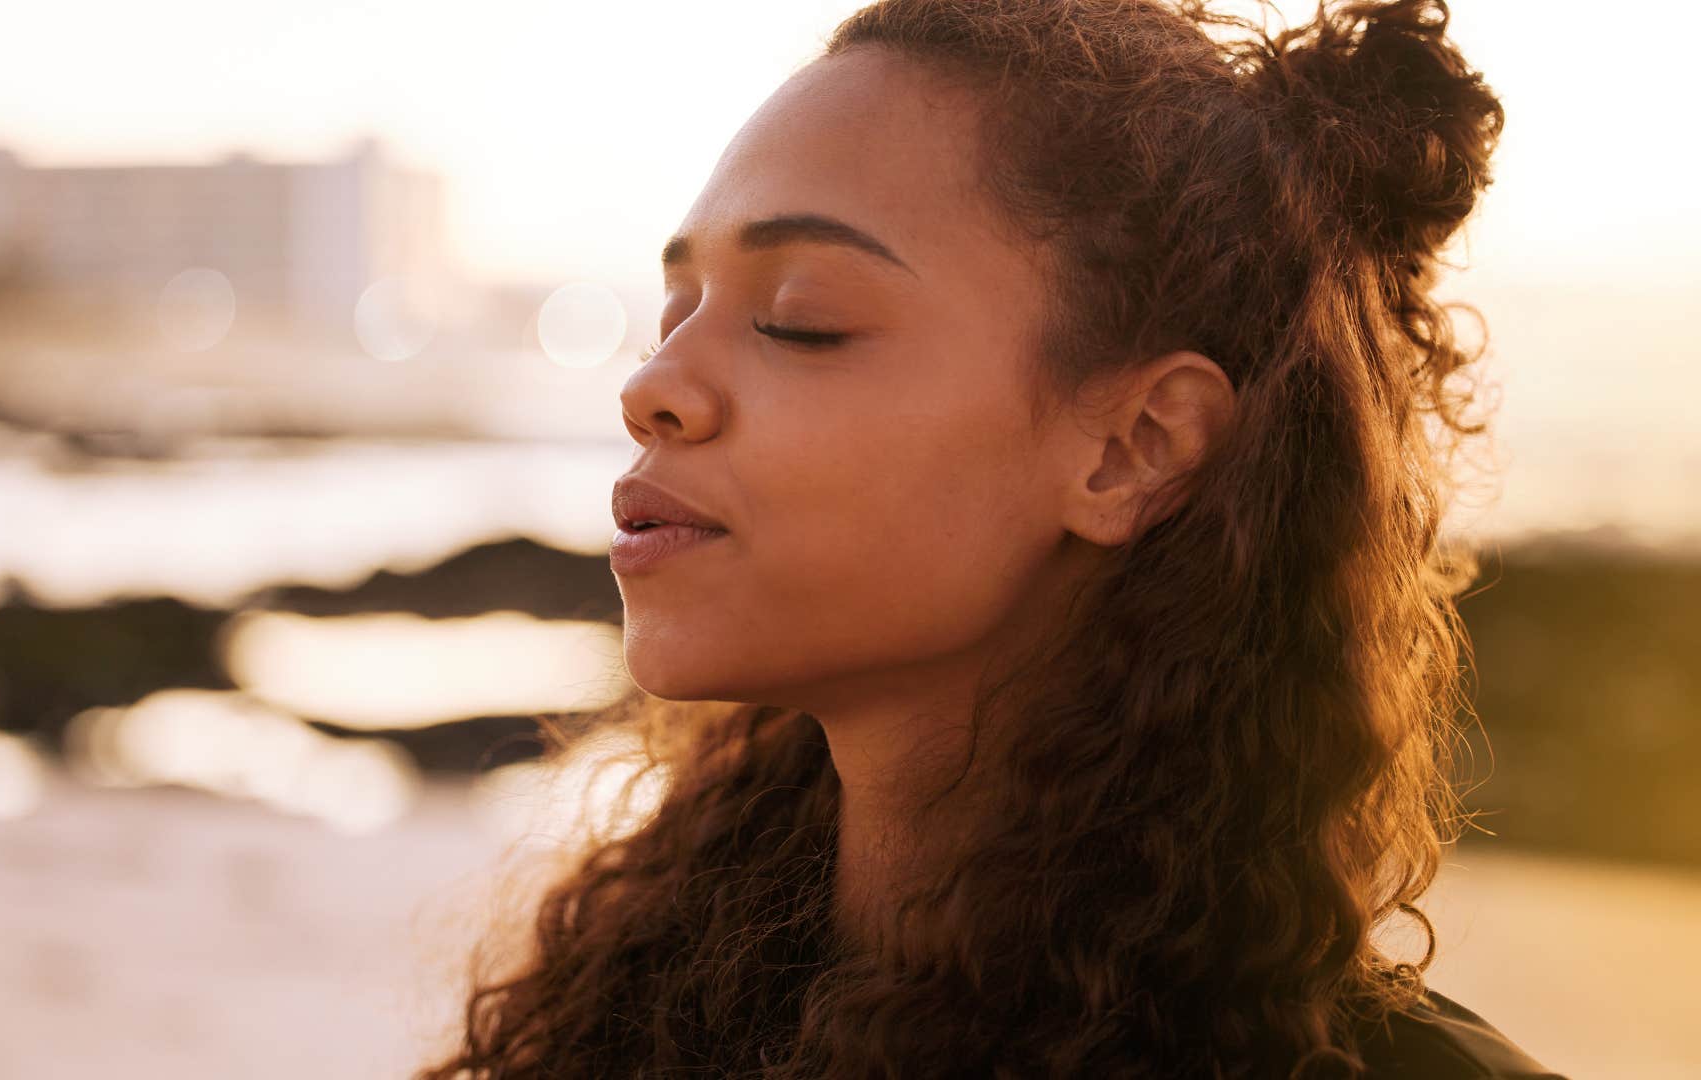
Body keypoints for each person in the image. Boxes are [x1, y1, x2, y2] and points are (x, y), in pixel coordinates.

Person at [416, 0, 1570, 1076]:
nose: (654, 387)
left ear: (1133, 448)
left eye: (798, 320)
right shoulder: (644, 1007)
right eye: (676, 316)